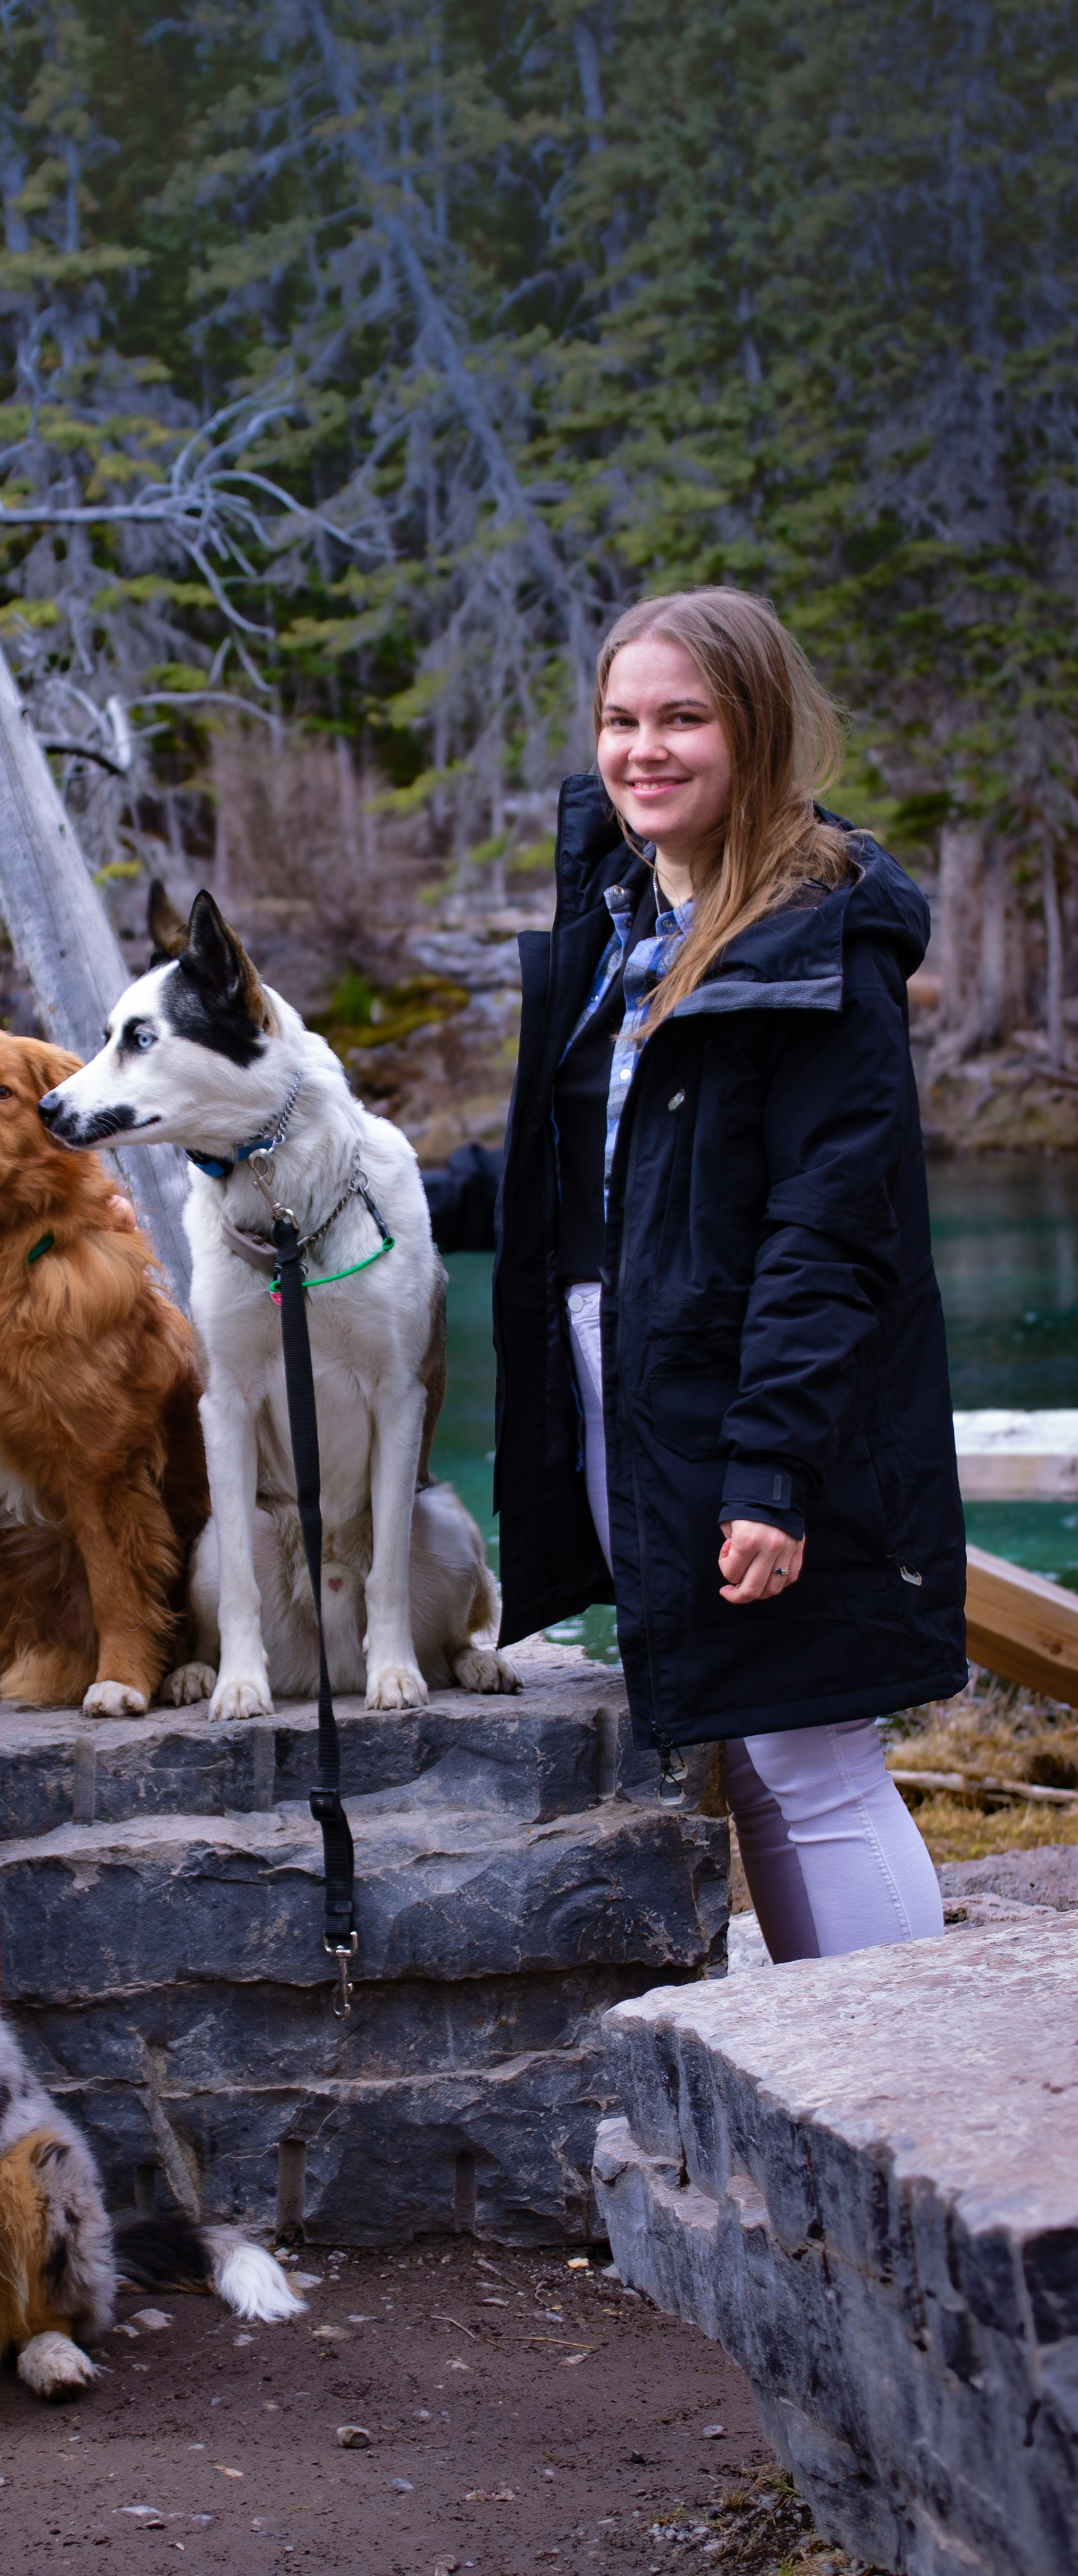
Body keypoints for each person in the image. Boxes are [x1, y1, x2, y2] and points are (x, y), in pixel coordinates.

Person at [493, 588, 964, 1961]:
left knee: (816, 1761)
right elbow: (575, 1167)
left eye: (682, 718)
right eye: (620, 720)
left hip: (759, 1406)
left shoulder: (819, 938)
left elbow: (830, 1230)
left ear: (751, 731)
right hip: (632, 1389)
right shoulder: (625, 918)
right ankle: (826, 2065)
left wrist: (772, 1471)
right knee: (750, 1746)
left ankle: (901, 2060)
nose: (642, 750)